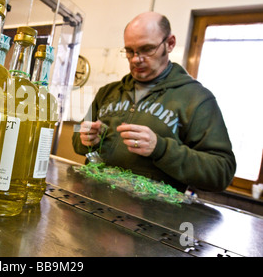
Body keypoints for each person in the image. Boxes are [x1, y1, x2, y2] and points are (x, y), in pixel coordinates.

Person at [72, 12, 236, 192]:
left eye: (147, 49)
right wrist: (85, 138)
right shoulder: (107, 92)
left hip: (148, 214)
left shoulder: (197, 100)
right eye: (129, 51)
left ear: (170, 43)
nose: (136, 59)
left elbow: (222, 171)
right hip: (92, 201)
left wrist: (161, 149)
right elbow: (77, 135)